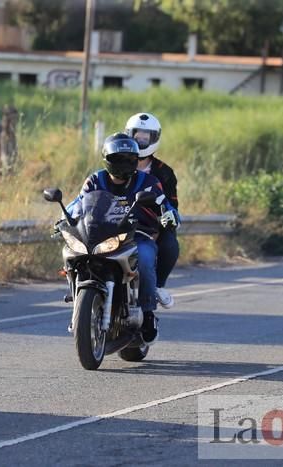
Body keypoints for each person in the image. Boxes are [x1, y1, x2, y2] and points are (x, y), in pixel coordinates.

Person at [66, 133, 177, 343]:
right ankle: (78, 301)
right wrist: (64, 218)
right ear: (107, 160)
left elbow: (166, 205)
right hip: (100, 234)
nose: (124, 164)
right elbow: (78, 203)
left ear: (136, 160)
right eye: (118, 159)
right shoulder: (95, 180)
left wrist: (170, 215)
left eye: (129, 159)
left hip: (138, 235)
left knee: (144, 258)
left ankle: (148, 313)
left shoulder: (149, 182)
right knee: (72, 254)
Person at [124, 112, 180, 309]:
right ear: (128, 135)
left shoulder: (164, 172)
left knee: (170, 243)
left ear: (155, 138)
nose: (141, 140)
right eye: (138, 135)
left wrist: (169, 216)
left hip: (151, 225)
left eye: (146, 137)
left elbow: (173, 204)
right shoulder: (118, 163)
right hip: (117, 221)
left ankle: (158, 285)